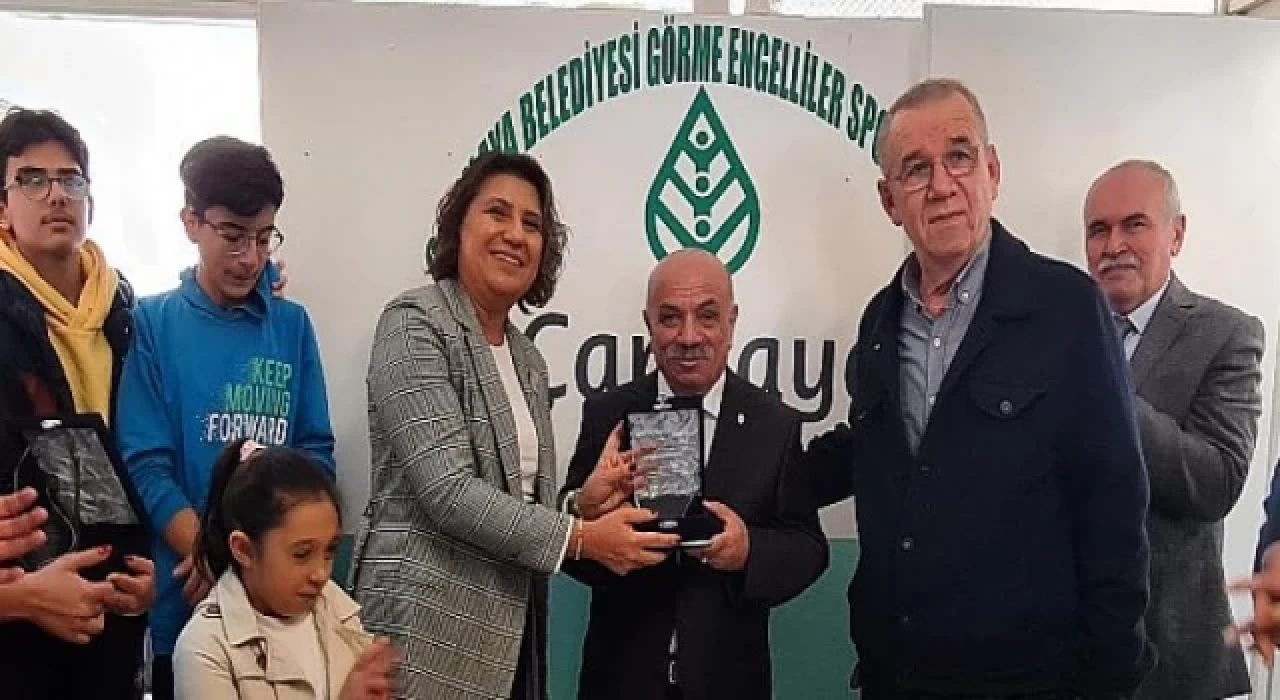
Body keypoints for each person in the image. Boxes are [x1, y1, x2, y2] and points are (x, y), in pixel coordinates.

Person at [804, 78, 1154, 698]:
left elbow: (1114, 505)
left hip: (1027, 681)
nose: (942, 185)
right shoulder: (880, 322)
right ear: (889, 200)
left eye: (959, 157)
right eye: (917, 169)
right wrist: (740, 468)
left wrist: (1111, 679)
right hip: (897, 675)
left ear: (992, 170)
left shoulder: (1067, 309)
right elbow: (872, 454)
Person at [349, 151, 681, 700]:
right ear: (459, 226)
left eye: (532, 224)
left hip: (511, 643)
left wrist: (582, 504)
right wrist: (581, 539)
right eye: (497, 213)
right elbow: (448, 491)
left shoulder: (528, 360)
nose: (515, 235)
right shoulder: (414, 324)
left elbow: (519, 503)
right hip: (424, 642)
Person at [116, 135, 336, 700]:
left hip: (283, 608)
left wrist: (269, 564)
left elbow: (315, 455)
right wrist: (210, 554)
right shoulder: (153, 323)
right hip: (189, 605)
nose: (249, 258)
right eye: (233, 236)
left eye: (263, 237)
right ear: (191, 222)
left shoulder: (291, 326)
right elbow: (145, 464)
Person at [558, 248, 828, 700]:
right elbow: (567, 541)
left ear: (731, 323)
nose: (688, 336)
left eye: (707, 316)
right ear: (648, 325)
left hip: (729, 683)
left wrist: (747, 551)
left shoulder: (773, 424)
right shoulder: (608, 414)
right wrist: (586, 516)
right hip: (620, 682)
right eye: (670, 318)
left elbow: (807, 547)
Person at [1084, 159, 1262, 700]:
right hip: (1065, 653)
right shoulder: (1058, 332)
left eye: (1134, 225)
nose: (1113, 245)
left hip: (1173, 658)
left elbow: (1216, 482)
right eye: (1098, 230)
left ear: (1176, 234)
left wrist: (1106, 389)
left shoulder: (1227, 334)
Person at [0, 106, 155, 699]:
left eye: (70, 179)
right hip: (20, 608)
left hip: (113, 601)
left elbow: (142, 453)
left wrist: (147, 575)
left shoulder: (126, 313)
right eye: (31, 180)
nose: (56, 194)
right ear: (3, 207)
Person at [174, 439, 395, 699]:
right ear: (243, 550)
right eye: (302, 554)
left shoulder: (337, 611)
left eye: (329, 551)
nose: (321, 574)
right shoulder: (205, 646)